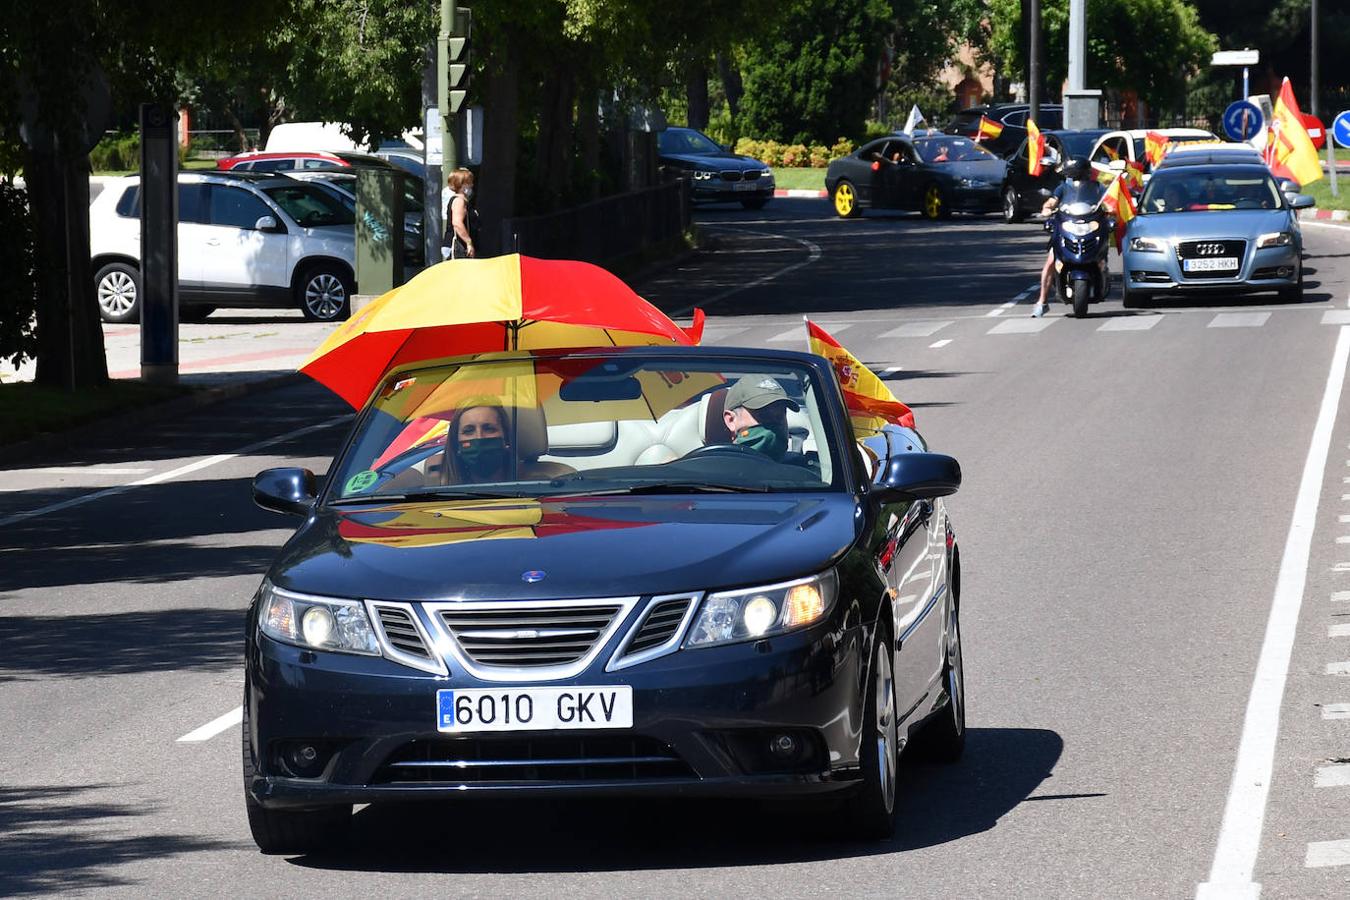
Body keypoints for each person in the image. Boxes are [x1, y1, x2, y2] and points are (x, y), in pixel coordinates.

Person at [1031, 157, 1106, 317]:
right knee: (1051, 262)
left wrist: (1111, 210)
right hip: (1067, 226)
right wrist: (1047, 208)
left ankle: (1102, 273)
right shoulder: (1063, 188)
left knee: (1102, 251)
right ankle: (1042, 301)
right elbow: (1052, 202)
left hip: (1089, 225)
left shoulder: (1097, 188)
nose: (1071, 176)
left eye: (1072, 173)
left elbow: (1108, 202)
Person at [721, 376, 800, 463]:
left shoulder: (803, 471)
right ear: (731, 420)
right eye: (764, 415)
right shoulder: (710, 472)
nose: (773, 422)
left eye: (779, 415)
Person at [442, 167, 479, 261]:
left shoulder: (463, 201)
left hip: (460, 245)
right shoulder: (459, 201)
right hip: (458, 245)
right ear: (461, 184)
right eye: (469, 182)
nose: (472, 185)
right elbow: (457, 223)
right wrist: (468, 242)